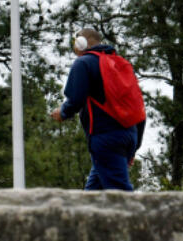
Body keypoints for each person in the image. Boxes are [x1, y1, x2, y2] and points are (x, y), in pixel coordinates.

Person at [49, 28, 146, 191]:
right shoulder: (120, 64)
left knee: (120, 194)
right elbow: (138, 107)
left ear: (81, 43)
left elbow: (76, 99)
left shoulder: (84, 62)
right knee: (92, 195)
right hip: (130, 135)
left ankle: (143, 218)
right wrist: (135, 145)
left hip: (105, 137)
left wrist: (63, 112)